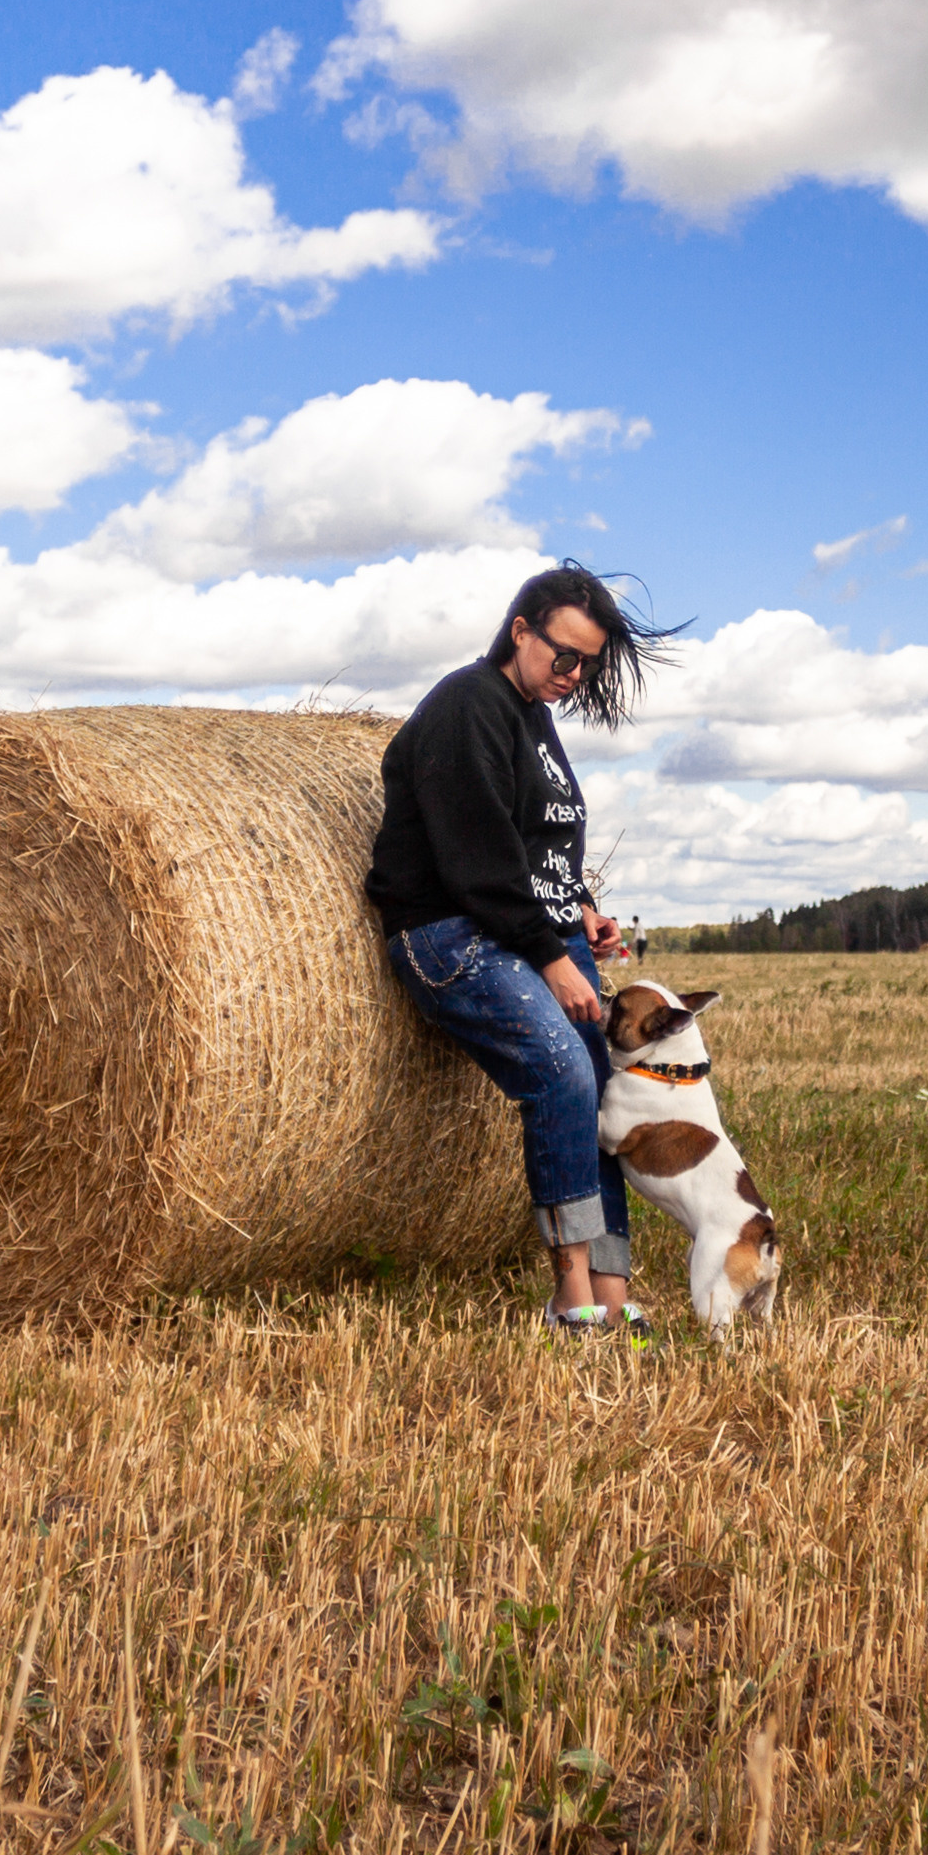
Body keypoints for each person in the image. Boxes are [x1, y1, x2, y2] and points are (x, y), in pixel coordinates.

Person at [366, 565, 677, 1340]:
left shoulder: (532, 718)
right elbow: (476, 859)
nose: (570, 678)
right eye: (561, 657)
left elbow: (537, 847)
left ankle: (612, 1289)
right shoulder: (465, 707)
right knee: (563, 1074)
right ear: (520, 631)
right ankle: (570, 1294)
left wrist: (583, 910)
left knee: (605, 1089)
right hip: (452, 936)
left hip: (529, 932)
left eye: (586, 666)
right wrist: (551, 955)